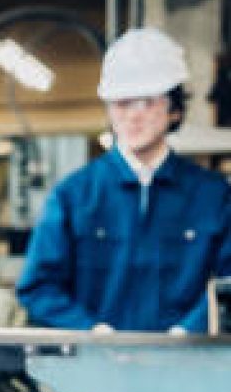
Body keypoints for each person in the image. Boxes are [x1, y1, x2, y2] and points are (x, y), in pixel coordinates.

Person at [18, 26, 231, 333]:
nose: (133, 115)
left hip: (188, 369)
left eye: (147, 101)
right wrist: (91, 331)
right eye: (121, 102)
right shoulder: (74, 195)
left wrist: (189, 332)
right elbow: (37, 288)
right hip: (94, 371)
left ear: (174, 109)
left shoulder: (213, 196)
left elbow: (228, 283)